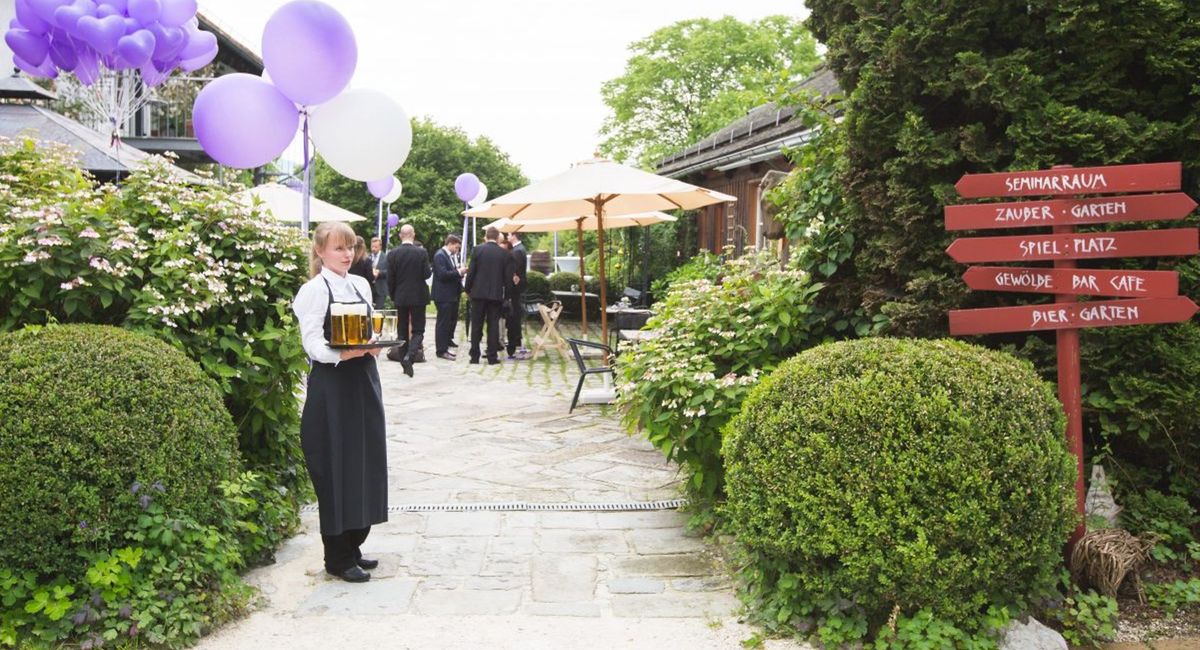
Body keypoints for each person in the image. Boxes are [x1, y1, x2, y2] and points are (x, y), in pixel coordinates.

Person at [291, 222, 387, 584]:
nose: (347, 254)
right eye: (338, 249)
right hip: (333, 385)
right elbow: (312, 343)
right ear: (320, 252)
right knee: (336, 466)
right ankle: (338, 556)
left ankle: (356, 542)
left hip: (363, 382)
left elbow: (367, 330)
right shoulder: (312, 291)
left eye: (350, 247)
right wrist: (343, 355)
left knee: (365, 461)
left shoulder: (360, 284)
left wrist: (375, 343)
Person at [385, 224, 431, 377]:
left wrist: (393, 295)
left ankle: (404, 363)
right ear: (414, 234)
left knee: (402, 331)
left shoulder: (392, 254)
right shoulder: (421, 253)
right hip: (418, 296)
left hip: (401, 296)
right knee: (418, 330)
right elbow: (427, 274)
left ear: (400, 236)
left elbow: (390, 279)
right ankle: (409, 358)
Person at [464, 226, 512, 365]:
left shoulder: (477, 250)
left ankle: (474, 356)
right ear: (497, 238)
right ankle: (492, 356)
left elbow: (471, 272)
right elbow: (507, 278)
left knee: (476, 325)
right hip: (495, 295)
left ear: (486, 236)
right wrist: (507, 296)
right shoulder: (504, 254)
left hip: (478, 294)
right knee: (493, 325)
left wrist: (467, 289)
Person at [431, 233, 466, 360]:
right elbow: (442, 274)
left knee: (447, 322)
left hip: (450, 294)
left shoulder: (449, 255)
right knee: (443, 323)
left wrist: (458, 272)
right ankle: (441, 350)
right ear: (450, 244)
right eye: (456, 247)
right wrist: (458, 272)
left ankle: (445, 345)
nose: (457, 250)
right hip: (443, 295)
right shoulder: (440, 255)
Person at [506, 231, 529, 360]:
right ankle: (516, 341)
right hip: (517, 289)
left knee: (514, 316)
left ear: (514, 236)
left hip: (516, 290)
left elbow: (514, 271)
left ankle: (513, 344)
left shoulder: (517, 251)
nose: (508, 237)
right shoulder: (519, 249)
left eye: (509, 235)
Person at [369, 236, 388, 310]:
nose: (373, 249)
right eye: (372, 246)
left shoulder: (386, 258)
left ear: (380, 246)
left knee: (378, 310)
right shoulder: (367, 257)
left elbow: (389, 272)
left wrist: (379, 273)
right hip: (370, 288)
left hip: (380, 288)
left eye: (376, 247)